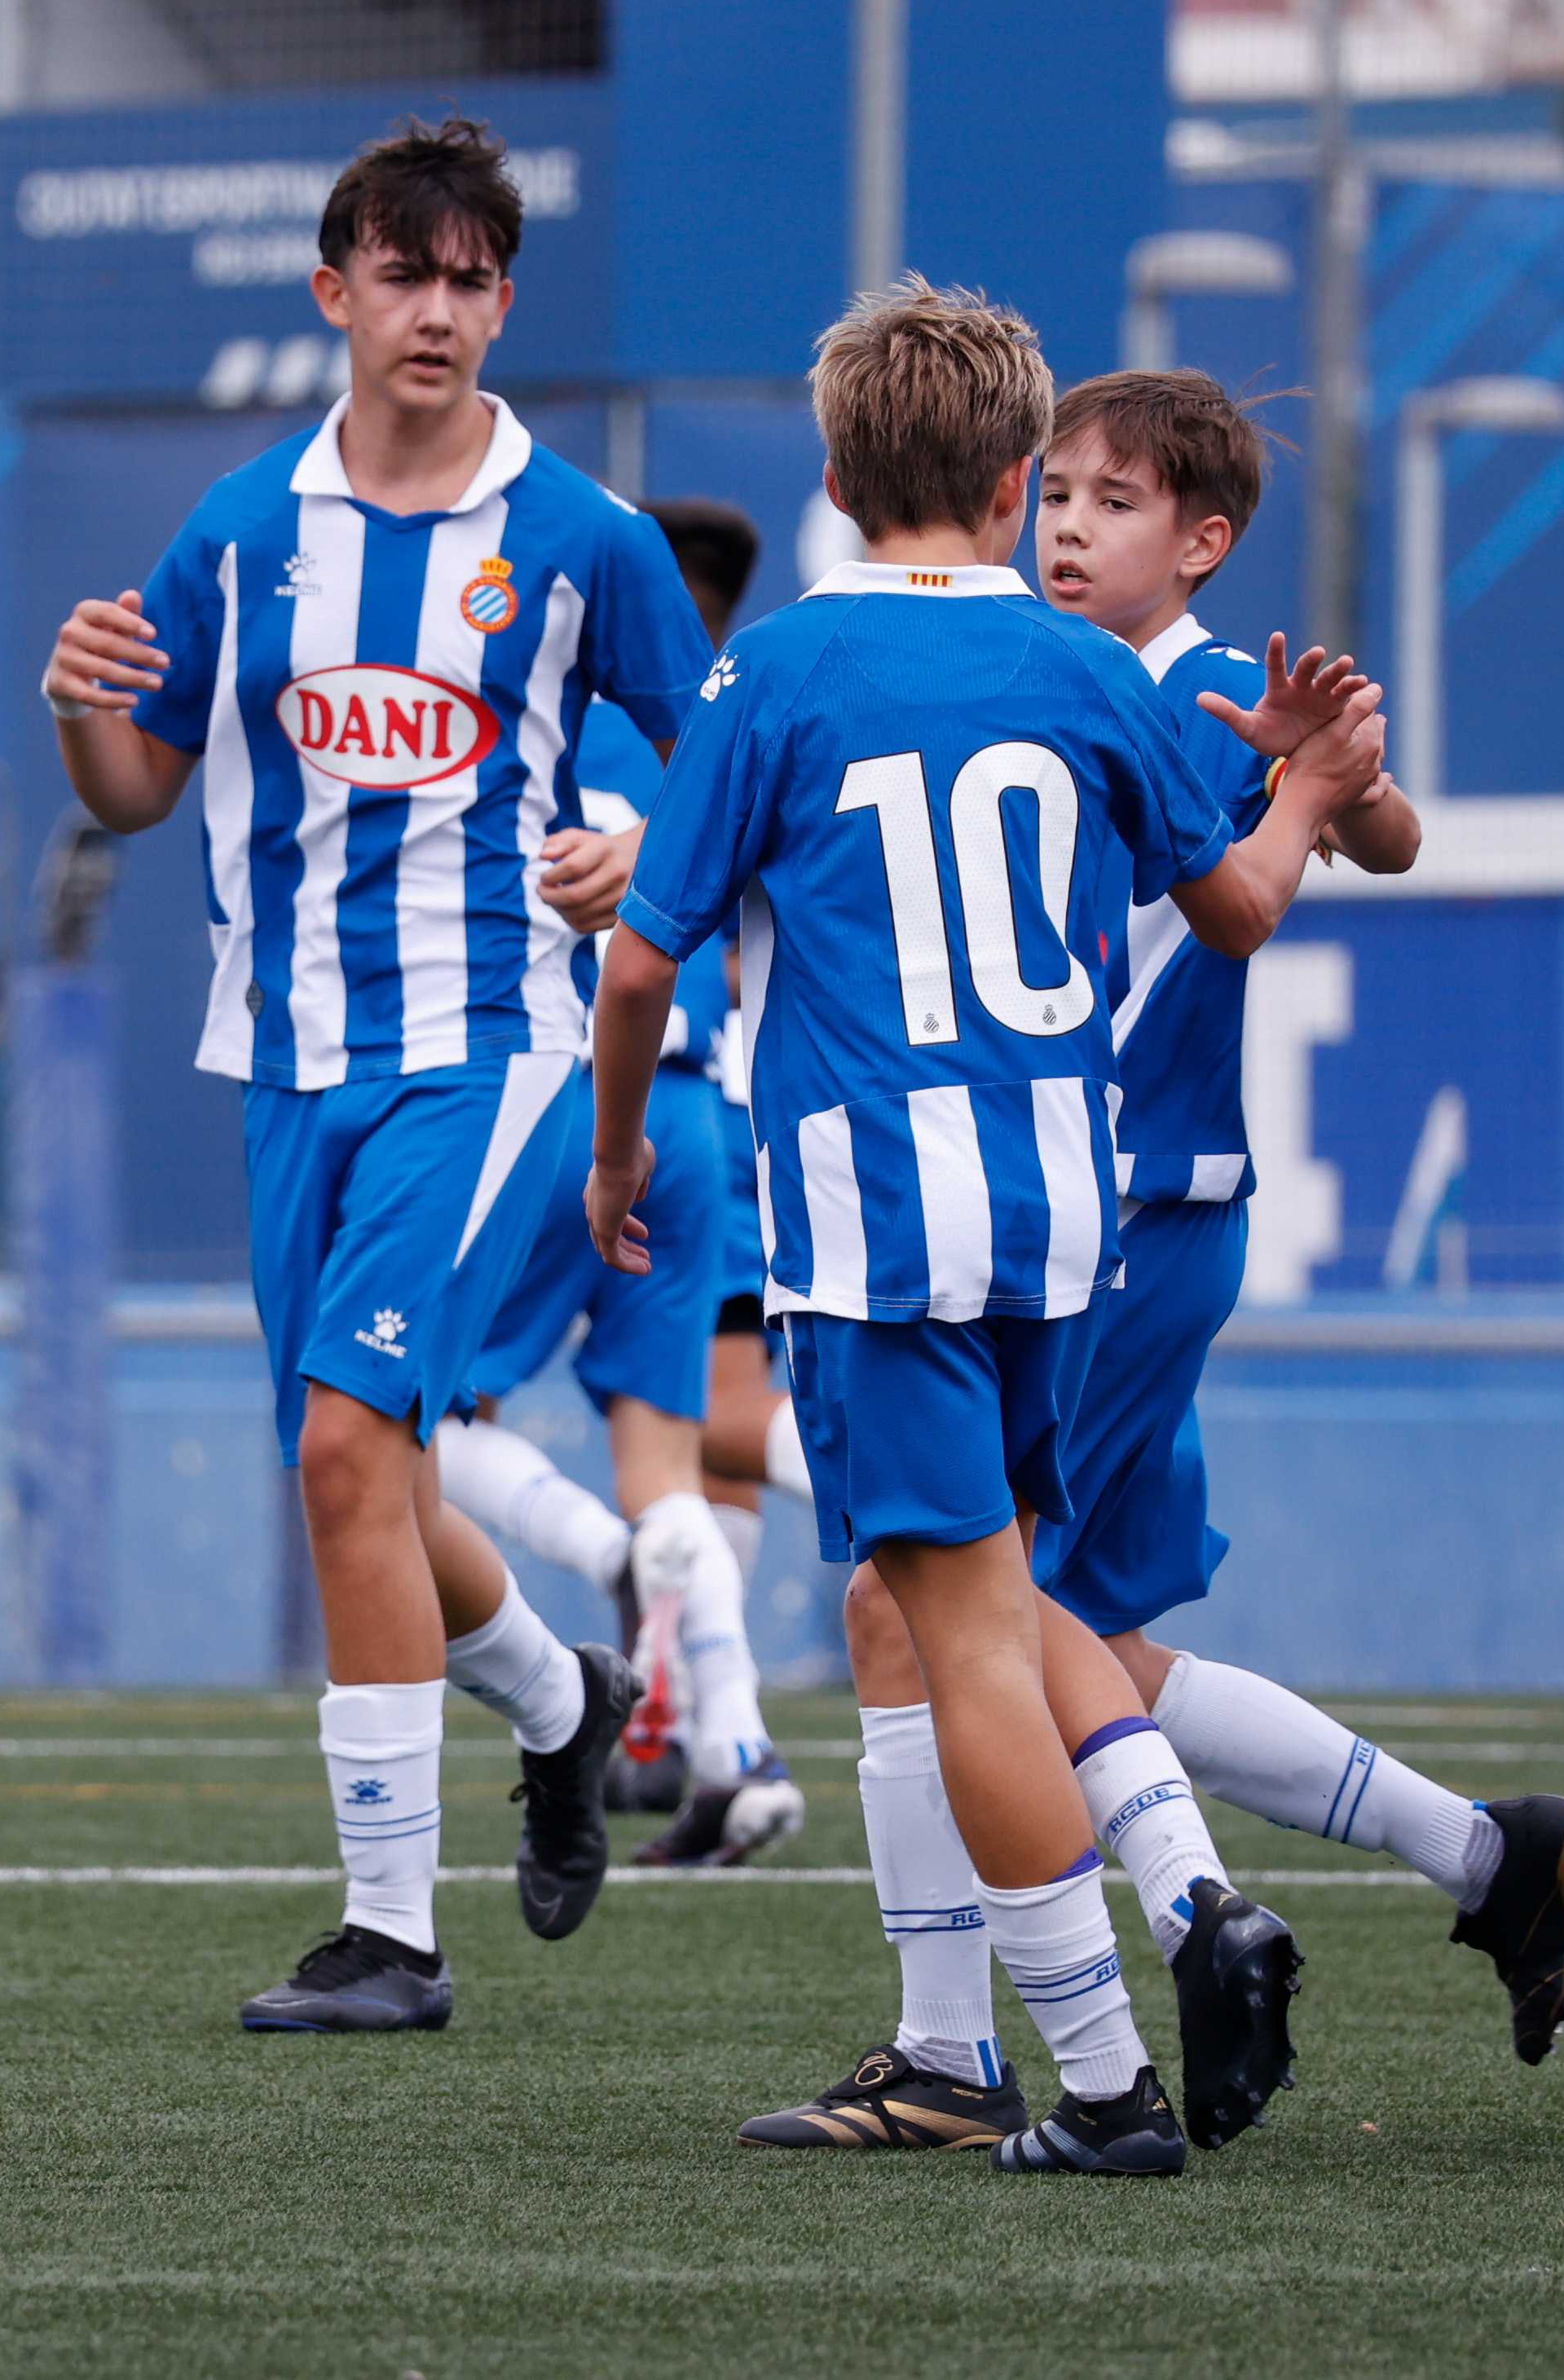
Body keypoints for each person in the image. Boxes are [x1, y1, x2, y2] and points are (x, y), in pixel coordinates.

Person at [734, 365, 1564, 2170]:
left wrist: (1319, 764)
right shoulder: (1040, 674)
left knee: (935, 1607)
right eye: (1052, 491)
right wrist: (1320, 776)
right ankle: (1480, 1852)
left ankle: (1030, 2002)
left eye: (1112, 502)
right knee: (1085, 1633)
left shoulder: (1185, 684)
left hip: (1097, 1212)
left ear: (1201, 541)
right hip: (1089, 1213)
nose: (1065, 524)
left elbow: (1381, 827)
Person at [587, 279, 1387, 2175]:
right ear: (1019, 468)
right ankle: (956, 2038)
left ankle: (1101, 2071)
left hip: (878, 1228)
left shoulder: (773, 671)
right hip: (1059, 1219)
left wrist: (621, 1155)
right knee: (926, 1607)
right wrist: (1306, 782)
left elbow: (638, 964)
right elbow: (1243, 906)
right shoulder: (1087, 668)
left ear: (837, 470)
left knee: (969, 1643)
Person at [38, 117, 710, 2035]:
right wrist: (86, 709)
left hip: (490, 1047)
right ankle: (566, 1699)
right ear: (333, 293)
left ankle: (390, 1938)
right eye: (401, 273)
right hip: (281, 1061)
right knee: (370, 1482)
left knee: (349, 1451)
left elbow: (717, 757)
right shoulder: (241, 532)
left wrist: (637, 856)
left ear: (506, 300)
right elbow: (142, 785)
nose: (438, 309)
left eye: (471, 277)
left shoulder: (588, 537)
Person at [433, 497, 807, 1867]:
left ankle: (606, 1571)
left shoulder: (537, 725)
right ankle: (736, 1747)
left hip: (576, 1101)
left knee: (409, 1413)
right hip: (711, 1124)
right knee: (683, 1458)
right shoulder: (732, 743)